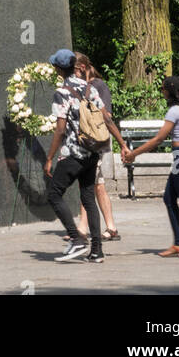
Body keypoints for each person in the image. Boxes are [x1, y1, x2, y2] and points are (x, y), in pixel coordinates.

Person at [44, 48, 128, 264]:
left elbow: (60, 130)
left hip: (74, 153)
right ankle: (97, 251)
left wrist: (50, 157)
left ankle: (76, 238)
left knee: (54, 193)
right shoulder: (89, 88)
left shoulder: (61, 93)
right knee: (88, 197)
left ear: (58, 69)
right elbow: (107, 119)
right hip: (93, 152)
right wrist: (122, 145)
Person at [123, 75, 179, 258]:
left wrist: (133, 154)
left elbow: (158, 139)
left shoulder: (174, 112)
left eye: (164, 89)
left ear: (172, 92)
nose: (162, 91)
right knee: (169, 199)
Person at [71, 52, 121, 241]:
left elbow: (106, 115)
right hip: (85, 142)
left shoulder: (97, 86)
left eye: (73, 71)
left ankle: (84, 229)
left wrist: (121, 143)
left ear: (81, 68)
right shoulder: (80, 86)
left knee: (89, 183)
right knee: (96, 185)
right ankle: (110, 227)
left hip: (94, 141)